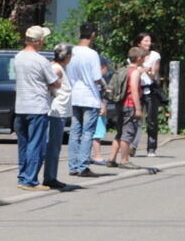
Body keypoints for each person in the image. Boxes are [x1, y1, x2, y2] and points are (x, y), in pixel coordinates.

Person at [13, 25, 59, 191]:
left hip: (20, 106)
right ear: (39, 41)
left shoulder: (18, 57)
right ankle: (30, 179)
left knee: (23, 144)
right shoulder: (41, 60)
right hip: (37, 106)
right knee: (36, 144)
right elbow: (54, 82)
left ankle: (22, 175)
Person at [66, 23, 105, 178]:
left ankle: (73, 165)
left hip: (75, 95)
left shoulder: (72, 52)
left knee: (75, 131)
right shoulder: (92, 54)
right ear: (93, 34)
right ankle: (83, 166)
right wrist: (104, 85)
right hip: (89, 96)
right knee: (88, 132)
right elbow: (96, 78)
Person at [107, 47, 145, 168]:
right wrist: (138, 108)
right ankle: (124, 160)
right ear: (139, 58)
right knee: (127, 133)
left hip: (120, 104)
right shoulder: (134, 72)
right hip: (129, 105)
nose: (144, 60)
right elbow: (134, 90)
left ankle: (111, 159)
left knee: (120, 132)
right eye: (143, 58)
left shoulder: (124, 70)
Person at [44, 43, 73, 189]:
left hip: (59, 111)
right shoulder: (56, 68)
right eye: (70, 55)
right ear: (67, 56)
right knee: (53, 146)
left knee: (55, 145)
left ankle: (51, 176)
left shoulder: (59, 67)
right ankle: (50, 177)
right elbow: (49, 87)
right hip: (56, 112)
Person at [132, 33, 161, 157]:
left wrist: (146, 69)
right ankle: (132, 146)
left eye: (149, 41)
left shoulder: (155, 55)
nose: (148, 43)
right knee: (135, 118)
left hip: (150, 90)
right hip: (137, 89)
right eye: (145, 41)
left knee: (151, 120)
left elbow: (154, 73)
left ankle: (151, 148)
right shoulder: (134, 55)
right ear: (139, 43)